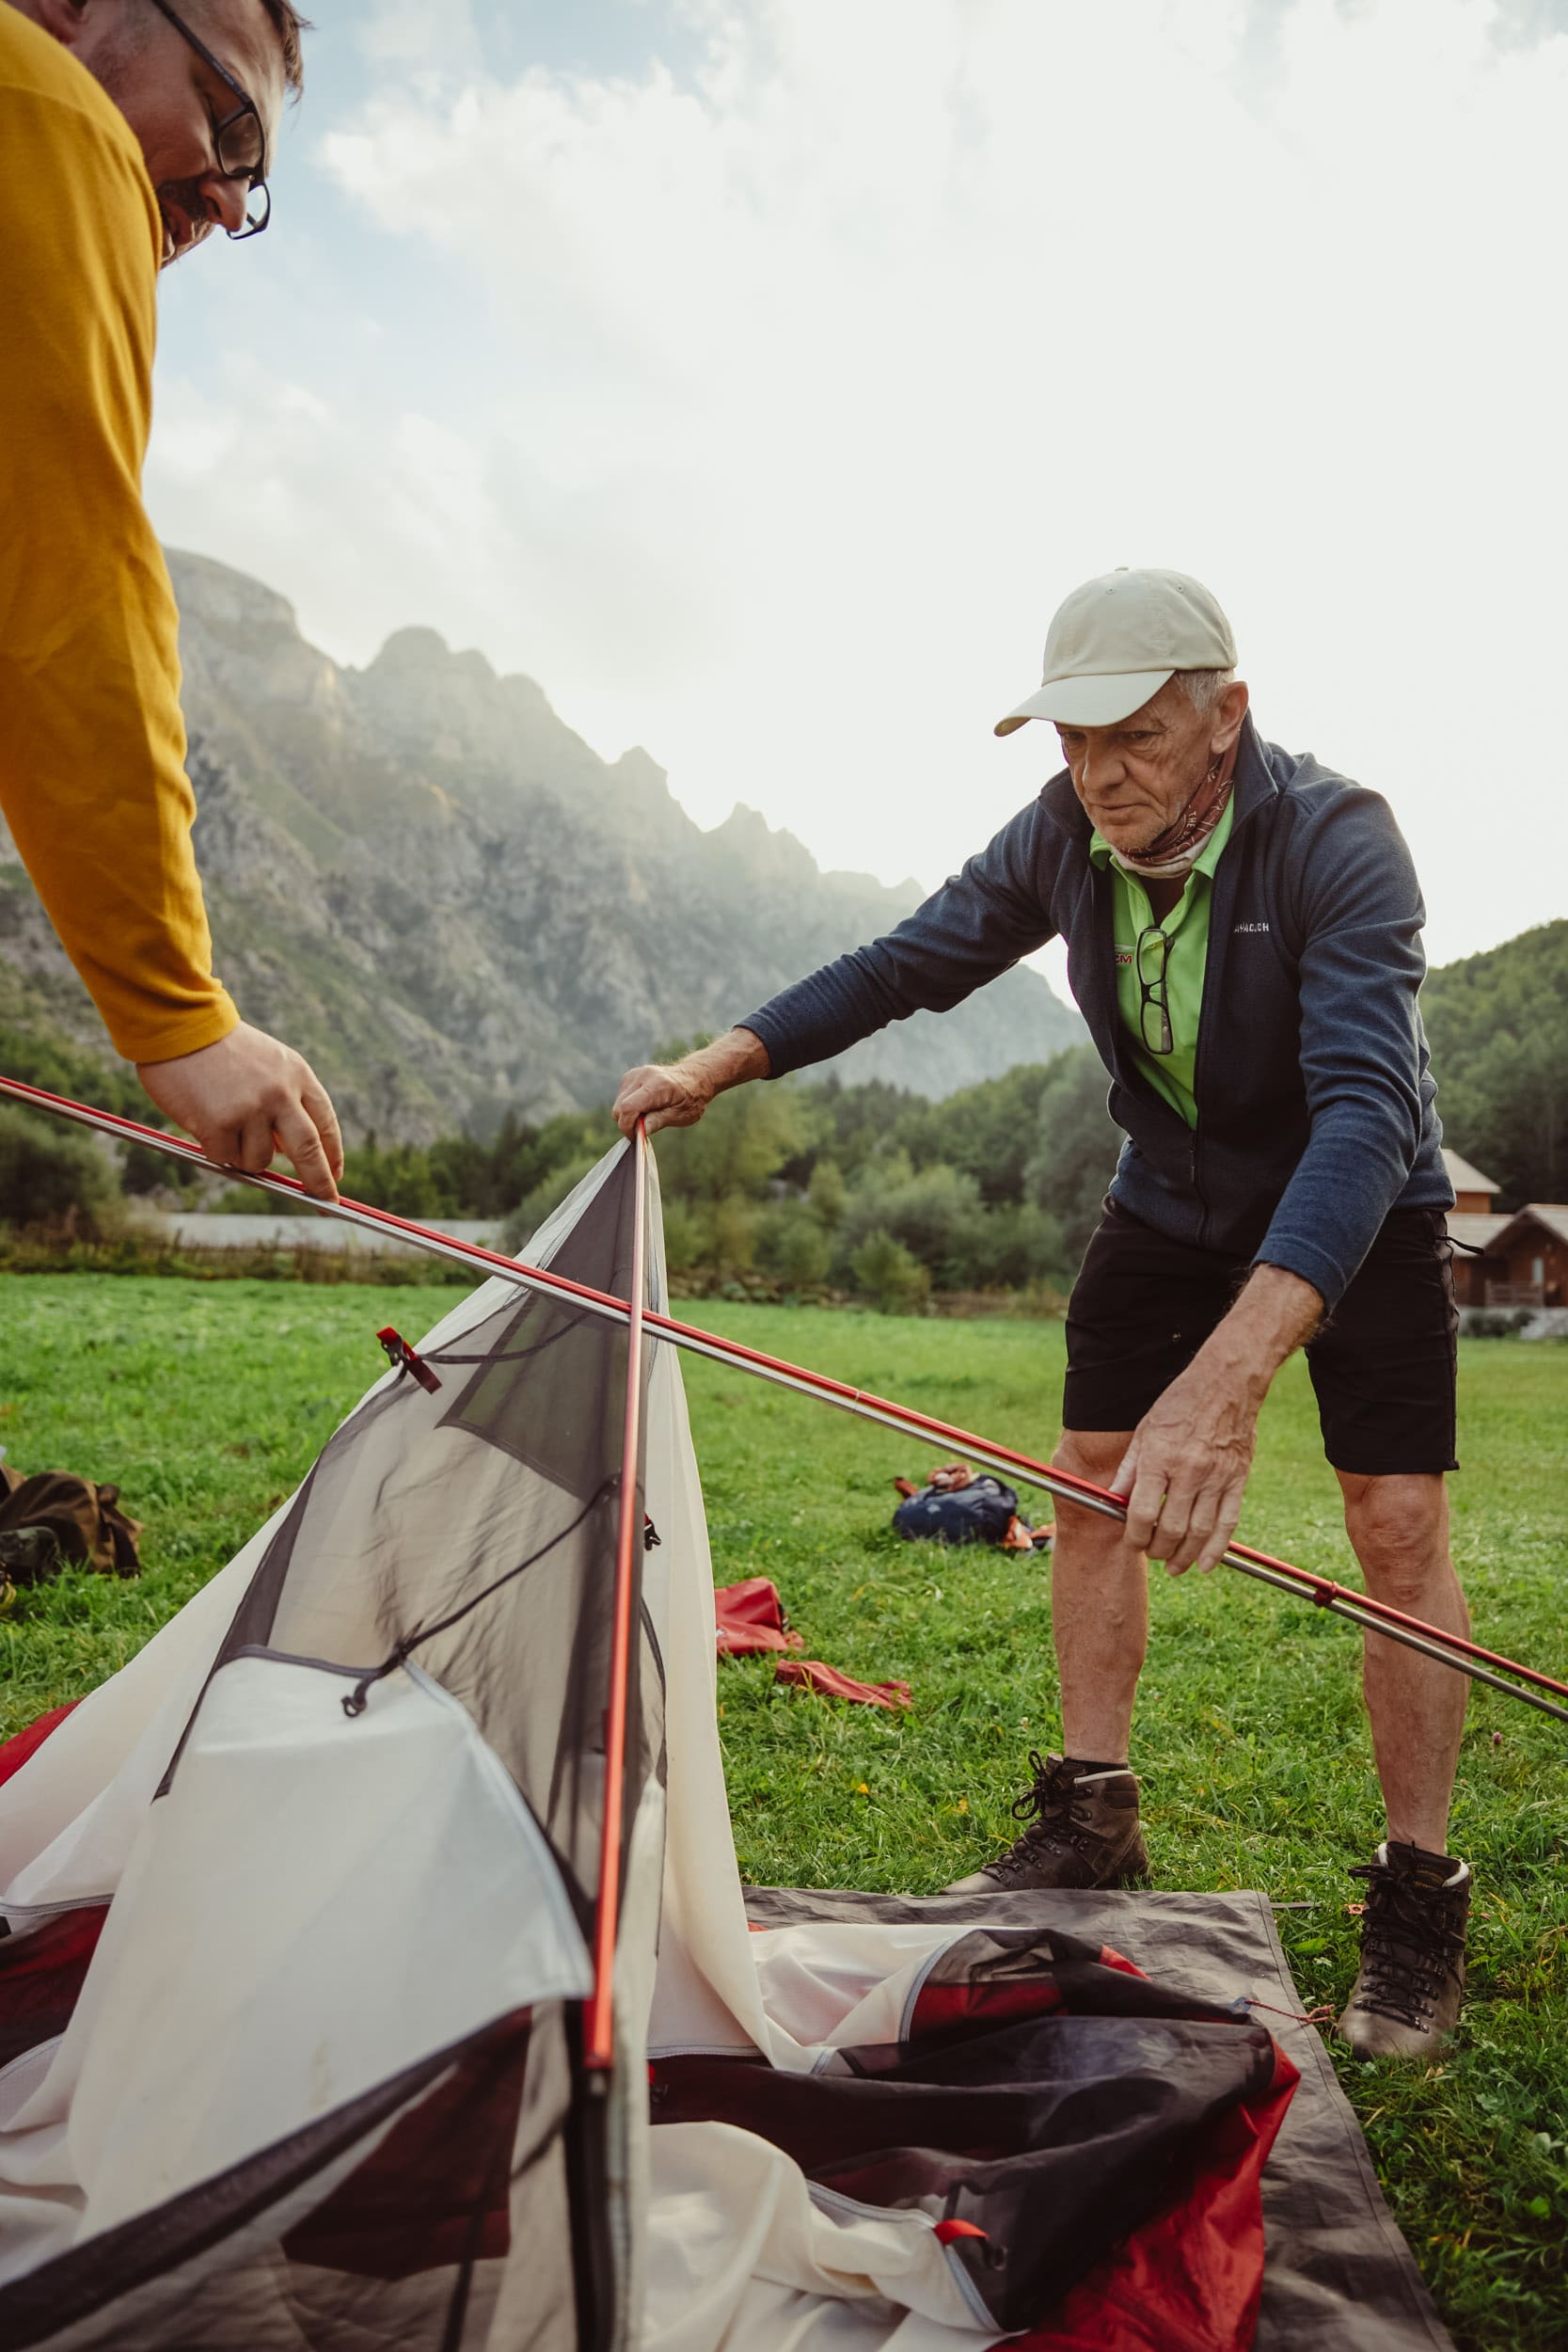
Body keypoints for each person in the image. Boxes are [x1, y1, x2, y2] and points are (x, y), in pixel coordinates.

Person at [614, 566, 1473, 2060]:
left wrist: (1228, 1379)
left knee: (1393, 1525)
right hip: (1166, 1195)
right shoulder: (1067, 832)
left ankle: (1414, 1895)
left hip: (1358, 1195)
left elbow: (1359, 1116)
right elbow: (909, 960)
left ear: (1225, 717)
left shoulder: (1339, 842)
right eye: (1069, 742)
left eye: (1130, 735)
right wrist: (723, 1060)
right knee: (1080, 1489)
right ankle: (1089, 1814)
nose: (1095, 774)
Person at [0, 0, 341, 1199]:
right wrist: (177, 1015)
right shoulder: (50, 108)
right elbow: (65, 582)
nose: (233, 203)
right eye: (225, 122)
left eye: (258, 186)